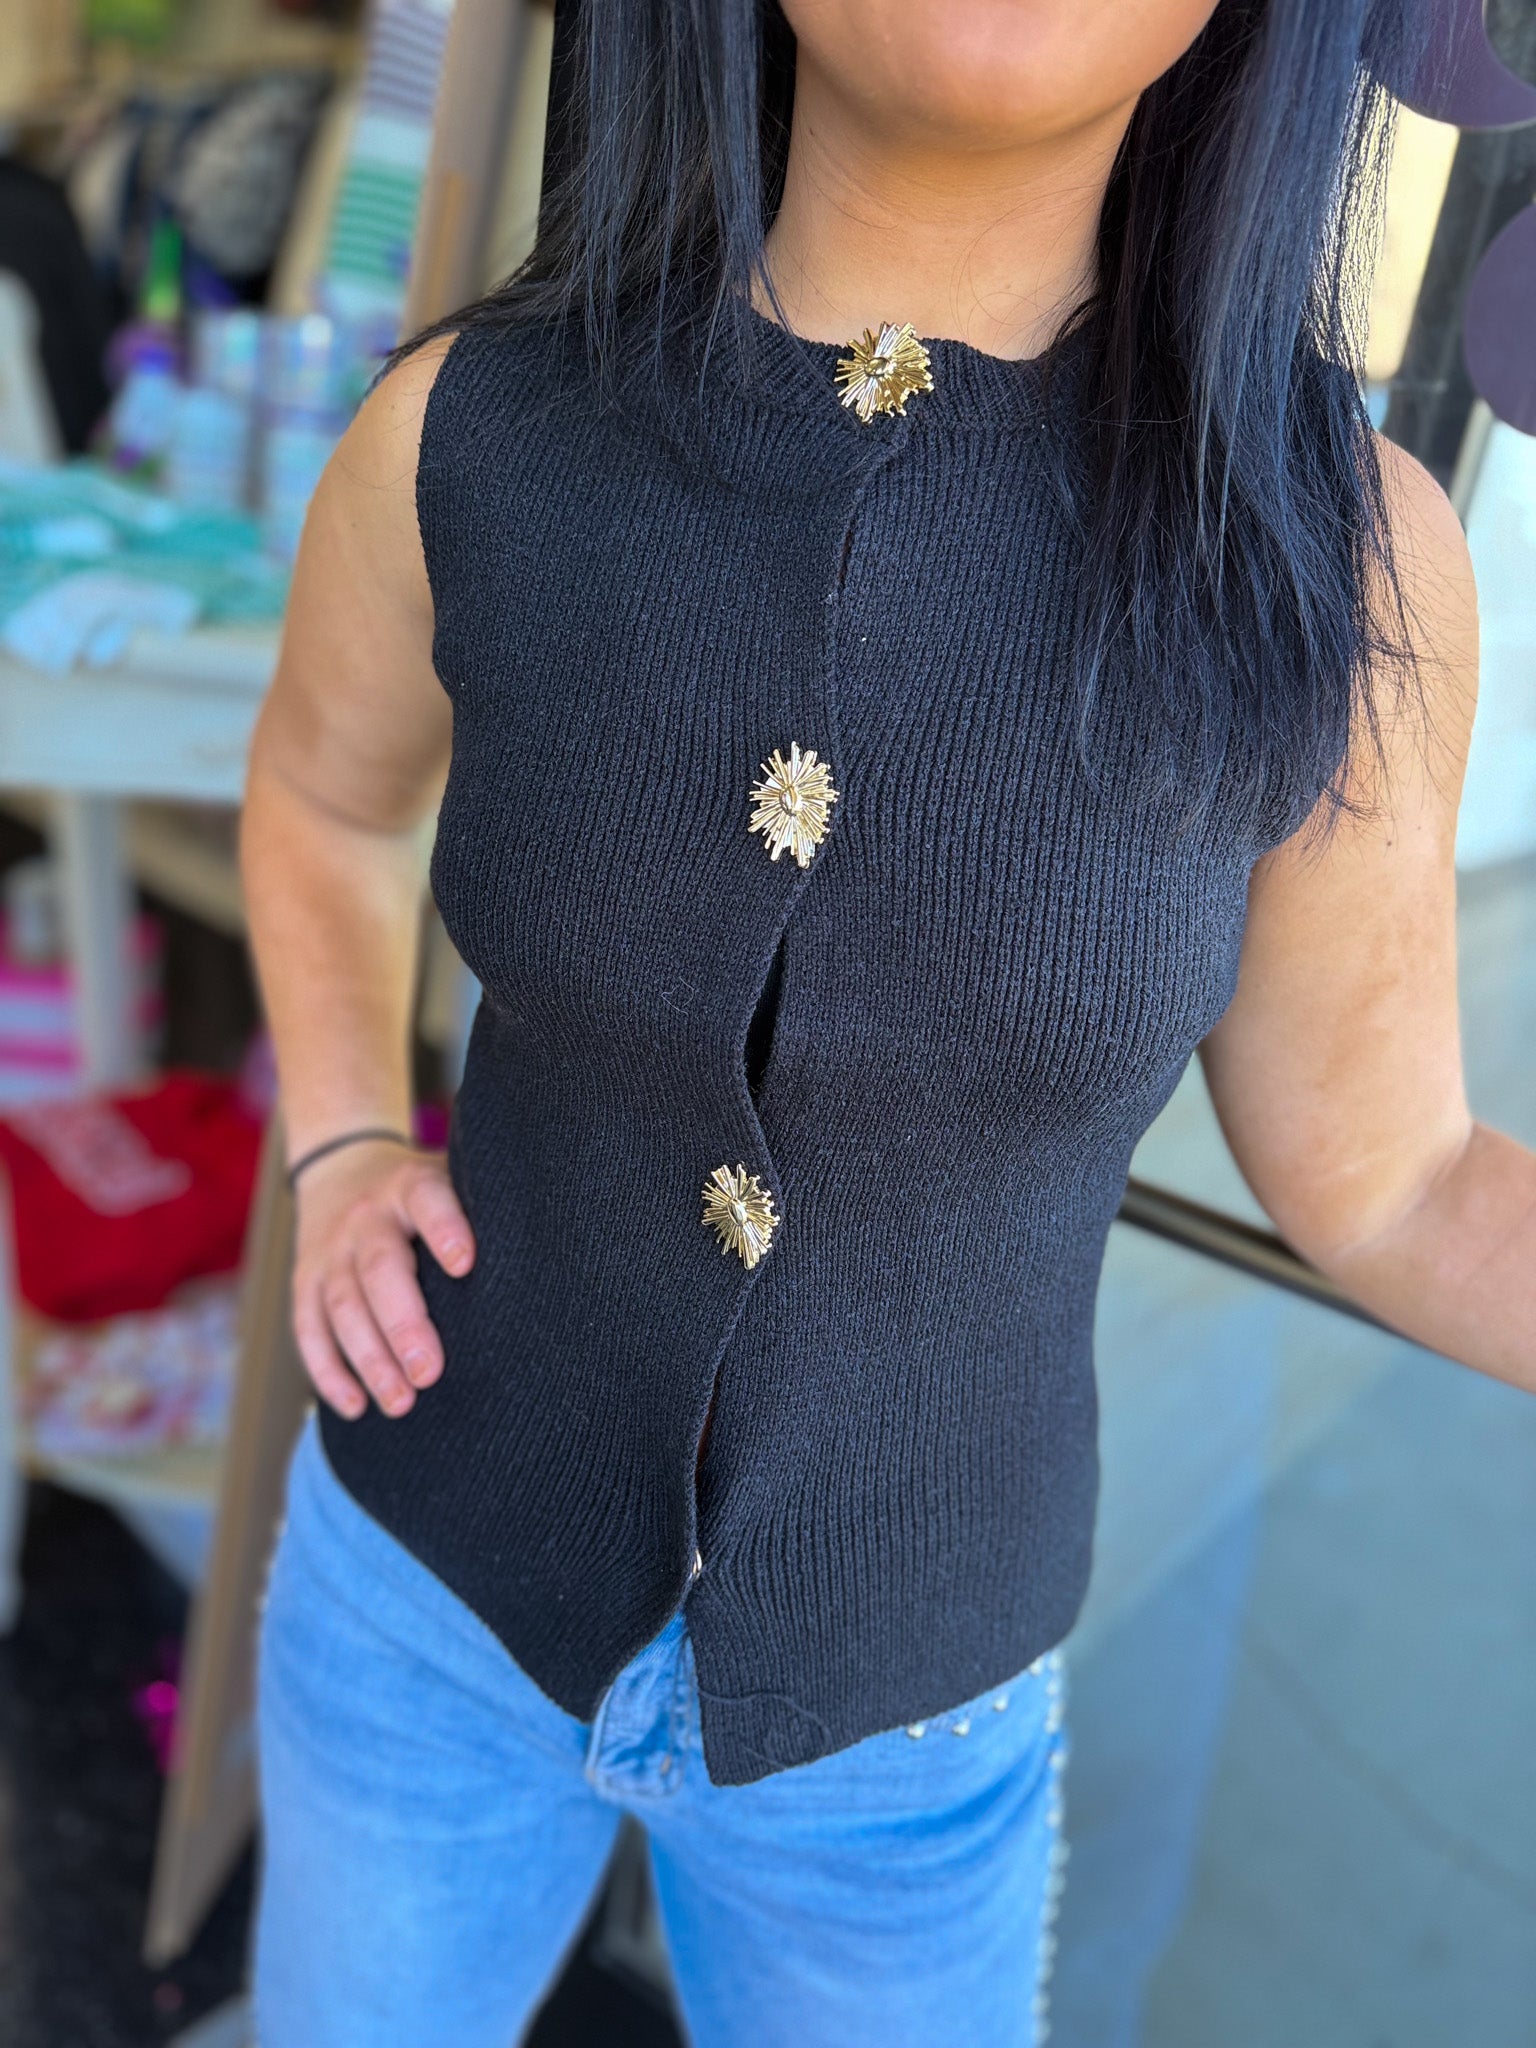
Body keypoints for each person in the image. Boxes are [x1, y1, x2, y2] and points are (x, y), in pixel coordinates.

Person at [239, 2, 1534, 2042]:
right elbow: (323, 794)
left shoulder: (1344, 562)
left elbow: (1397, 1182)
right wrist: (335, 1135)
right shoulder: (470, 424)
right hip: (418, 1589)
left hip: (913, 1728)